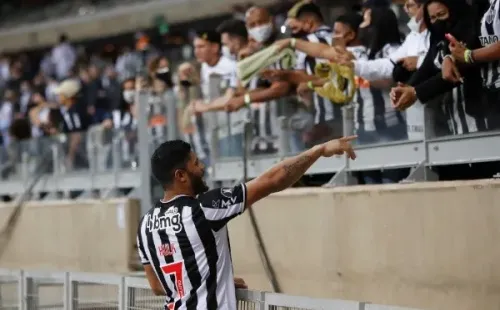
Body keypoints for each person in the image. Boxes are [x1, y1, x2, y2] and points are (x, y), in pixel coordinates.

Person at [137, 135, 357, 310]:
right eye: (196, 163)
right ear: (181, 176)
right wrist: (318, 150)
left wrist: (208, 282)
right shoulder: (203, 208)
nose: (202, 167)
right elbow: (272, 180)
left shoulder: (144, 225)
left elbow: (157, 286)